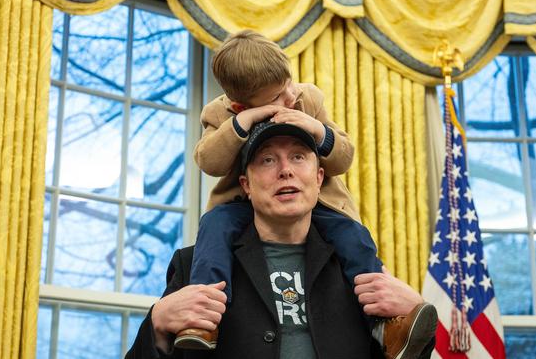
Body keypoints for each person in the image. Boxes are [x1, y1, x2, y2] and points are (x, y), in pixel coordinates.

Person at [179, 30, 433, 357]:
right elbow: (209, 161)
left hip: (321, 205)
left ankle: (385, 323)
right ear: (240, 104)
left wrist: (316, 129)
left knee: (353, 235)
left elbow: (343, 157)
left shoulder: (306, 98)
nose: (289, 98)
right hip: (244, 206)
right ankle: (205, 319)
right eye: (276, 98)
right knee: (214, 225)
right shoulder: (220, 114)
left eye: (289, 85)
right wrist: (245, 122)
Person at [126, 121, 438, 359]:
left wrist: (413, 314)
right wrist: (157, 325)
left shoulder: (357, 269)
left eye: (298, 157)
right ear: (246, 186)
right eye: (268, 160)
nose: (285, 170)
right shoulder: (194, 265)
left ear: (318, 179)